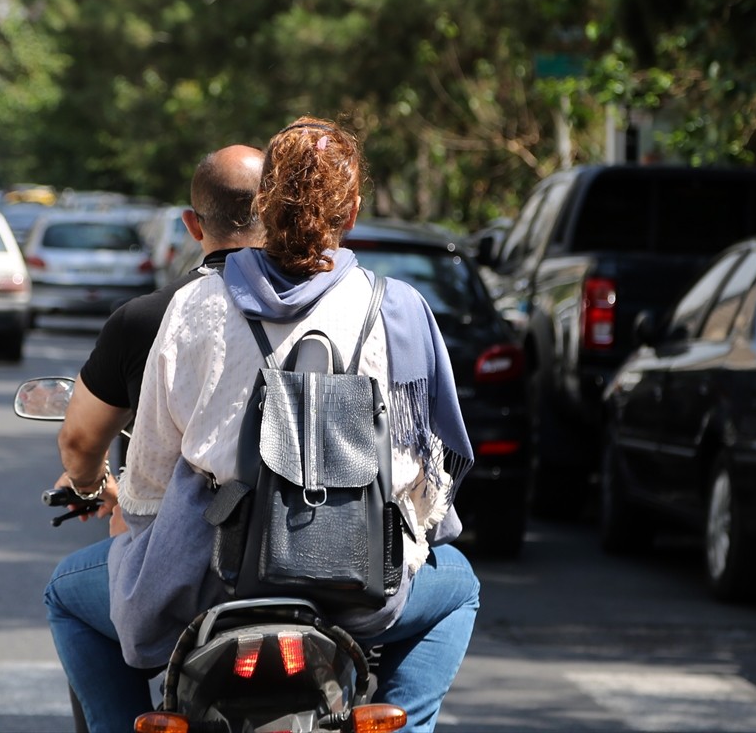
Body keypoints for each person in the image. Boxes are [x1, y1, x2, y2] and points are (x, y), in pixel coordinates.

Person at [50, 118, 481, 731]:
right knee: (458, 586)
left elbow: (146, 483)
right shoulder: (398, 308)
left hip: (205, 583)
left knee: (67, 593)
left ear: (267, 203)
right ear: (352, 209)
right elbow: (426, 476)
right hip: (357, 585)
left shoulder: (193, 305)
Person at [43, 144, 265, 722]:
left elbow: (79, 442)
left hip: (196, 563)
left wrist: (93, 486)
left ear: (192, 225)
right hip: (330, 556)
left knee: (67, 593)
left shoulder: (157, 316)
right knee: (453, 588)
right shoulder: (343, 304)